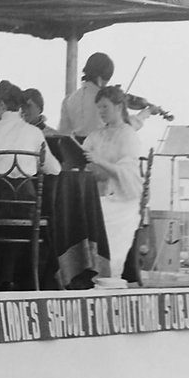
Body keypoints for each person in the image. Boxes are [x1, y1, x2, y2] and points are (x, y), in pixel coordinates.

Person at [0, 81, 61, 290]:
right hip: (27, 210)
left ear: (3, 105)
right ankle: (21, 279)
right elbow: (55, 169)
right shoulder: (34, 133)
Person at [82, 85, 143, 278]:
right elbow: (84, 159)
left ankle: (105, 274)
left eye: (105, 107)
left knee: (94, 217)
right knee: (77, 212)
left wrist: (99, 161)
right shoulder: (96, 135)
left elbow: (125, 172)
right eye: (98, 107)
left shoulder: (128, 135)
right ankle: (80, 272)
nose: (101, 112)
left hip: (123, 201)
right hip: (98, 195)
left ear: (118, 106)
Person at [59, 52, 114, 139]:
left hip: (75, 150)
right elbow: (121, 128)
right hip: (100, 149)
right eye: (107, 79)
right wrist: (141, 116)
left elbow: (63, 134)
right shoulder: (106, 99)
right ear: (100, 77)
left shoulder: (68, 99)